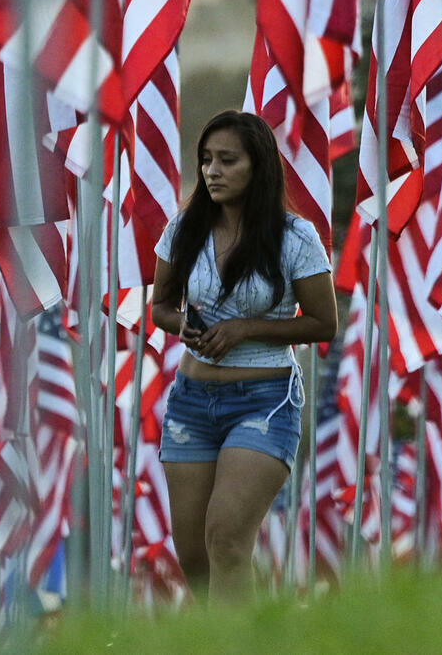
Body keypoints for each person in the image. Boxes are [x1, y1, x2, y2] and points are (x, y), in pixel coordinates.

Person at [149, 111, 337, 597]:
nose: (212, 170)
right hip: (191, 402)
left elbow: (323, 322)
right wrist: (184, 327)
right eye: (206, 160)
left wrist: (245, 329)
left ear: (258, 166)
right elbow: (162, 308)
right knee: (193, 553)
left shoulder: (295, 238)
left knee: (227, 539)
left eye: (227, 160)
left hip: (264, 402)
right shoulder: (183, 230)